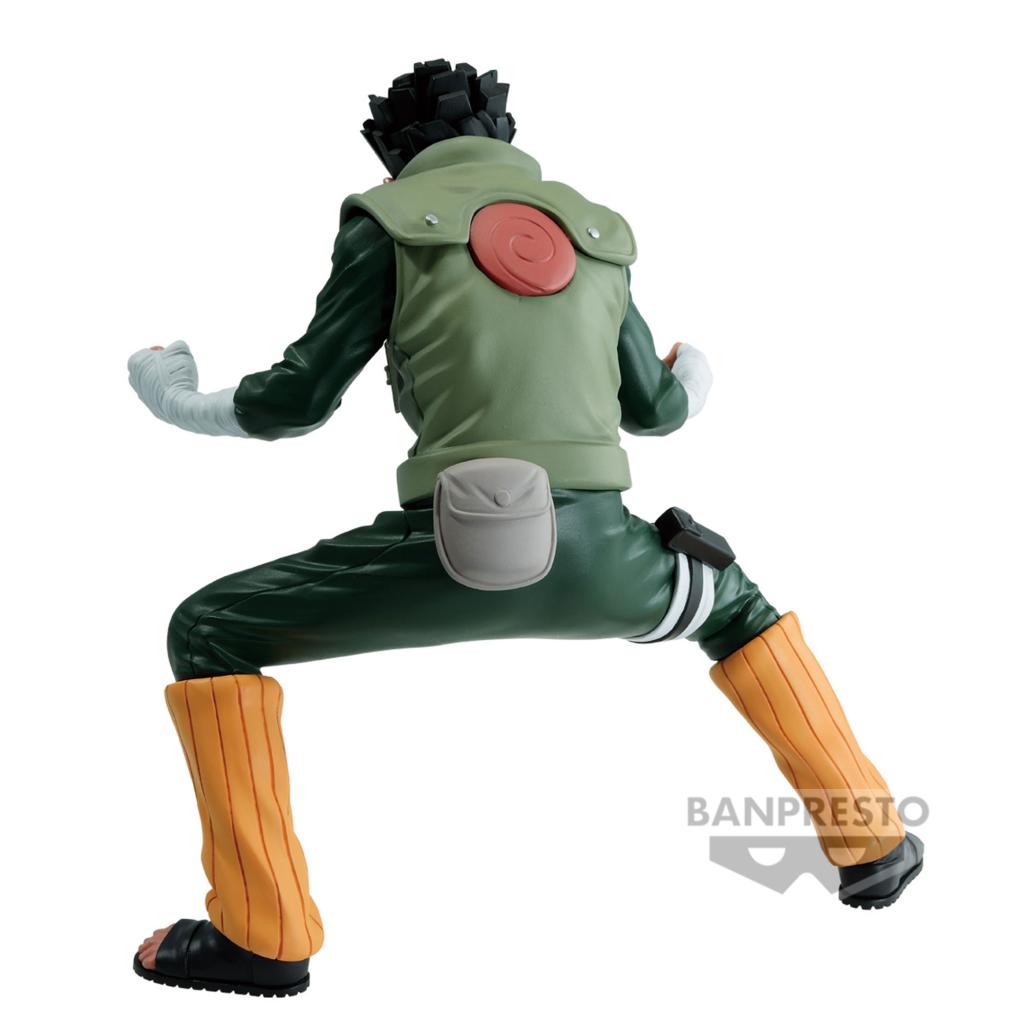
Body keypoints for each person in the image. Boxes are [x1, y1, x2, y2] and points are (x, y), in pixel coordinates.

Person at [128, 58, 923, 998]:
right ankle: (873, 841)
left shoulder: (386, 223)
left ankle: (262, 934)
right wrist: (696, 364)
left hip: (450, 554)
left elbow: (292, 403)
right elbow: (659, 410)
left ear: (390, 154)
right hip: (610, 560)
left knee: (208, 631)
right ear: (504, 135)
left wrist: (170, 388)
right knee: (735, 607)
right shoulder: (592, 231)